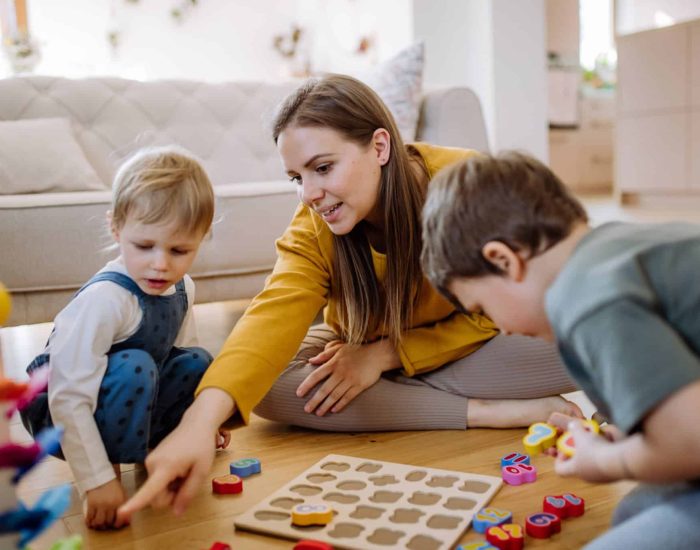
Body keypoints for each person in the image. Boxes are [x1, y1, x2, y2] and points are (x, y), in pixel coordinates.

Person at [117, 74, 579, 520]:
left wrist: (384, 357)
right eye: (296, 177)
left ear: (380, 146)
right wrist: (200, 421)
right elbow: (270, 317)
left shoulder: (458, 181)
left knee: (573, 337)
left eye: (322, 168)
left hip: (471, 341)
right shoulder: (312, 223)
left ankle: (402, 399)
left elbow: (503, 309)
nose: (309, 195)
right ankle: (492, 411)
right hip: (360, 344)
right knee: (274, 390)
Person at [420, 151, 700, 548]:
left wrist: (605, 462)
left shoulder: (586, 298)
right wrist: (619, 439)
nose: (501, 328)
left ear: (503, 260)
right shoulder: (616, 249)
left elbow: (689, 442)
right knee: (634, 512)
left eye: (484, 309)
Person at [20, 146, 229, 530]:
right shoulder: (106, 300)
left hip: (131, 393)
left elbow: (179, 359)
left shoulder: (182, 287)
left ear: (202, 237)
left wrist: (199, 423)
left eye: (180, 250)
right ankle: (110, 470)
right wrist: (95, 480)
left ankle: (159, 451)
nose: (161, 264)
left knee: (197, 360)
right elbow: (67, 395)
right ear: (116, 229)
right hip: (58, 405)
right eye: (144, 246)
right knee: (135, 365)